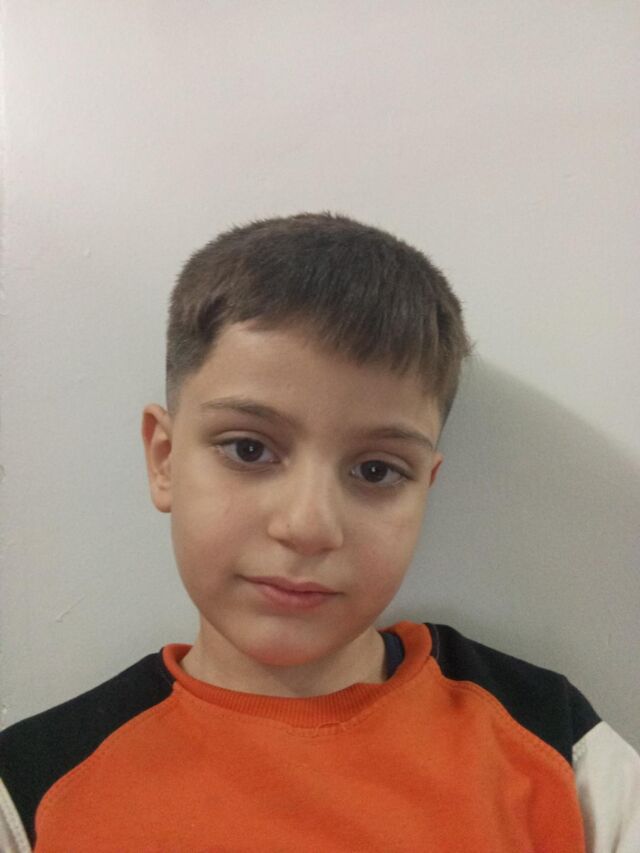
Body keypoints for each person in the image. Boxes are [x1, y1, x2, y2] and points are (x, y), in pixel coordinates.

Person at [0, 213, 638, 852]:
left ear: (425, 488)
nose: (307, 526)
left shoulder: (557, 745)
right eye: (248, 449)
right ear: (164, 459)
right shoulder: (32, 793)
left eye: (376, 470)